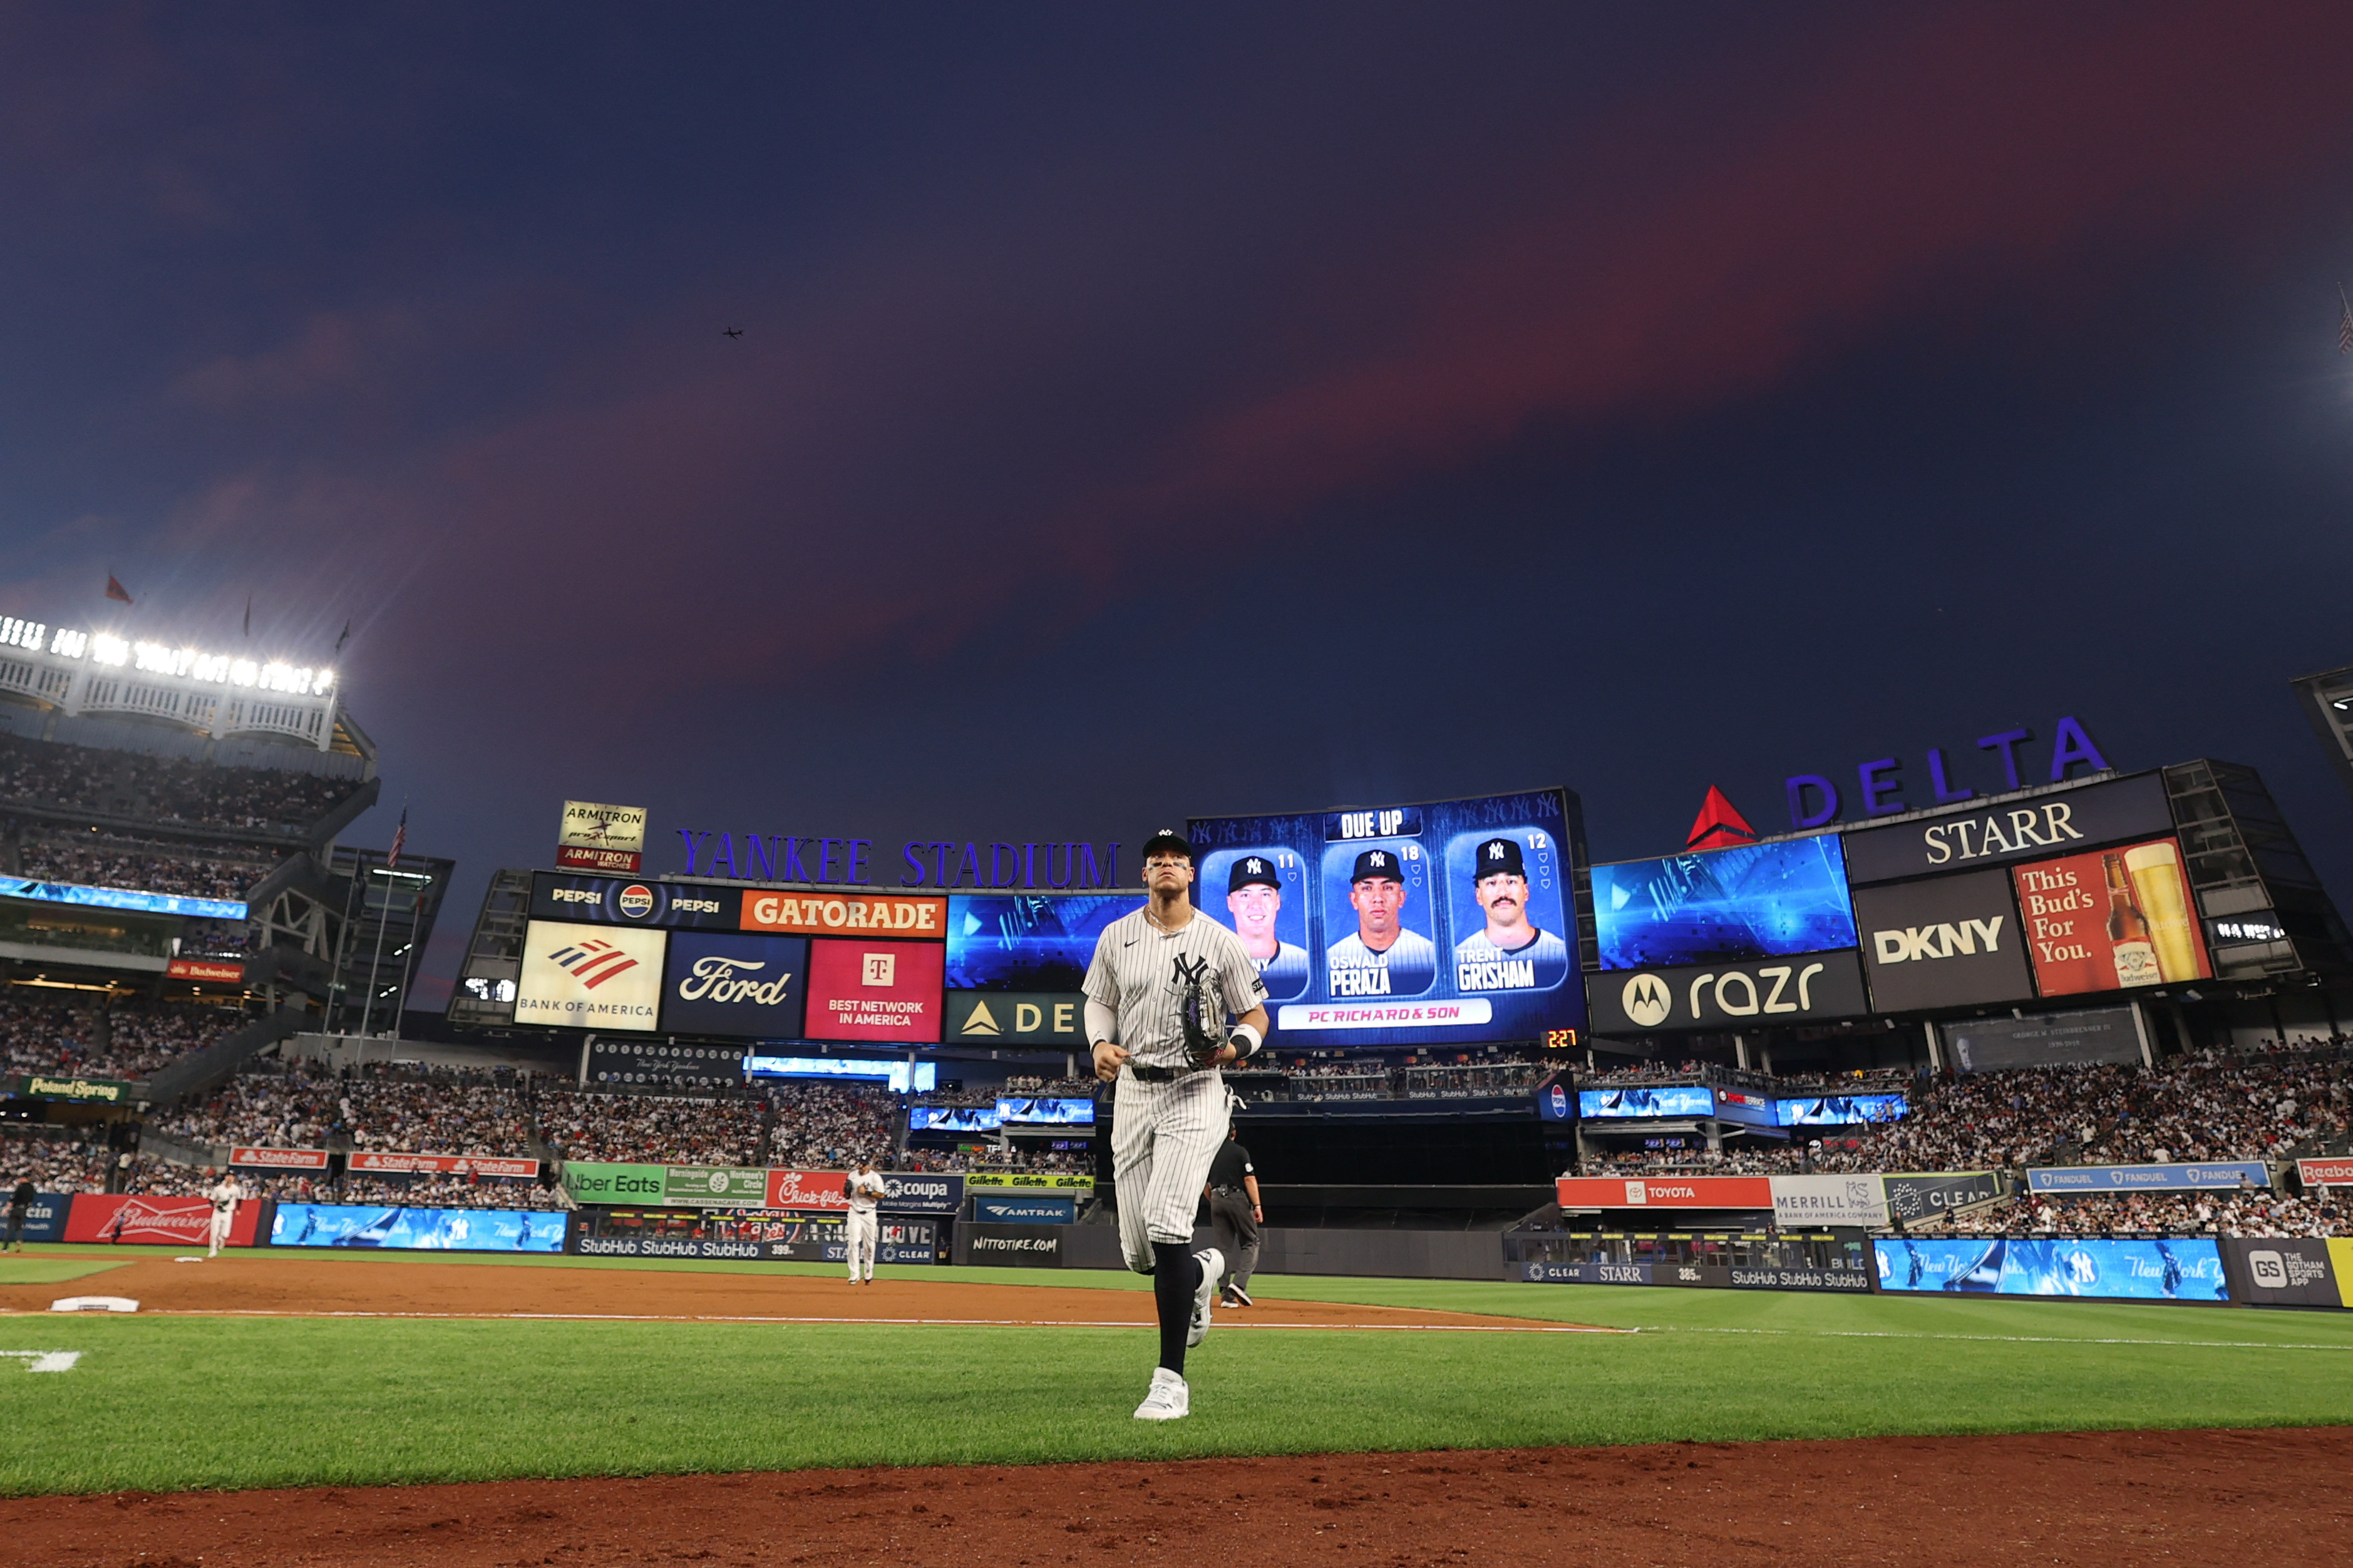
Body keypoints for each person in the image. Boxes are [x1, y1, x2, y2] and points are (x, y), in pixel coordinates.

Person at [1085, 827, 1269, 1421]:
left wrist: (1236, 1046)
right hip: (1135, 1092)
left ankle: (1170, 1384)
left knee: (1167, 1225)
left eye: (1177, 859)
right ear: (1145, 874)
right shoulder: (1117, 937)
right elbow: (1098, 1000)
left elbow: (1256, 1013)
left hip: (1195, 1090)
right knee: (1141, 1255)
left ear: (1191, 874)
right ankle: (1203, 1272)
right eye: (1156, 859)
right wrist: (1098, 1043)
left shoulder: (1219, 940)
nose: (1166, 865)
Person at [1451, 837, 1568, 990]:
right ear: (1479, 896)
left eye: (1511, 881)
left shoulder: (1561, 954)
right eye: (1491, 883)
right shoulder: (1459, 958)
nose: (1503, 892)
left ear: (1526, 891)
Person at [1324, 848, 1436, 996]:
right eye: (1367, 888)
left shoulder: (1428, 954)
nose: (1378, 898)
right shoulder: (1332, 958)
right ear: (1354, 899)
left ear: (1401, 898)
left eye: (1388, 887)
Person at [1223, 855, 1309, 999]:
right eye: (1245, 895)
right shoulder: (1215, 963)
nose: (1256, 905)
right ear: (1230, 903)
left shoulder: (1302, 962)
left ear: (1278, 901)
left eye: (1265, 894)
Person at [1202, 1122, 1262, 1308]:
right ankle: (1239, 1284)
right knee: (1251, 1242)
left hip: (1217, 1199)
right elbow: (1249, 1179)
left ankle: (1226, 1296)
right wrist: (1257, 1205)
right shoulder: (1239, 1152)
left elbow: (1204, 1184)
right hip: (1236, 1197)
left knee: (1223, 1248)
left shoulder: (1209, 1154)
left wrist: (1215, 1200)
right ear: (1233, 1134)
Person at [843, 1161, 885, 1284]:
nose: (860, 1167)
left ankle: (869, 1270)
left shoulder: (875, 1177)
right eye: (859, 1165)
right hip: (854, 1211)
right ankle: (854, 1273)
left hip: (870, 1212)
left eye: (863, 1165)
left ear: (868, 1166)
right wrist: (846, 1193)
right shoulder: (852, 1175)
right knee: (853, 1241)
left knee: (869, 1245)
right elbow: (847, 1195)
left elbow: (881, 1195)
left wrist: (866, 1192)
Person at [205, 1170, 244, 1258]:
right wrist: (215, 1205)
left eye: (232, 1176)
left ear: (234, 1178)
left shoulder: (236, 1189)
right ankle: (213, 1250)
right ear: (225, 1177)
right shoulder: (218, 1188)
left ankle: (222, 1239)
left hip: (228, 1213)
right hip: (218, 1213)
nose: (230, 1178)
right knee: (214, 1233)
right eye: (228, 1176)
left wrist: (238, 1209)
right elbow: (211, 1200)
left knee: (226, 1234)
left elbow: (239, 1199)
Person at [6, 1176, 33, 1253]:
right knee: (19, 1228)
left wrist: (6, 1209)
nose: (19, 1180)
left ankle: (5, 1248)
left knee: (10, 1228)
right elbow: (30, 1202)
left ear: (23, 1178)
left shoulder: (20, 1187)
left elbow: (12, 1200)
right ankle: (19, 1242)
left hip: (15, 1209)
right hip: (23, 1209)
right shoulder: (31, 1188)